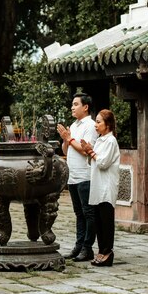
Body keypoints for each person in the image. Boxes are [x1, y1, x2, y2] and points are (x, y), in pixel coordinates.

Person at [57, 92, 98, 262]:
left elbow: (84, 150)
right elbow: (66, 151)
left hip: (85, 175)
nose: (72, 107)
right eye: (72, 104)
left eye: (76, 104)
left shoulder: (90, 125)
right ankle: (79, 245)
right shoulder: (73, 125)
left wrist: (69, 138)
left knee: (89, 213)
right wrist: (66, 140)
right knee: (78, 213)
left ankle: (87, 247)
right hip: (73, 176)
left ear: (85, 107)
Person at [80, 109, 120, 267]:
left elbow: (103, 163)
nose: (96, 125)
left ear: (108, 124)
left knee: (106, 221)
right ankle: (101, 251)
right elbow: (93, 162)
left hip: (106, 186)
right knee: (98, 221)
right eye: (96, 121)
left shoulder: (111, 141)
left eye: (98, 122)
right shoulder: (100, 140)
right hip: (97, 185)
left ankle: (107, 251)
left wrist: (91, 152)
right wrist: (89, 152)